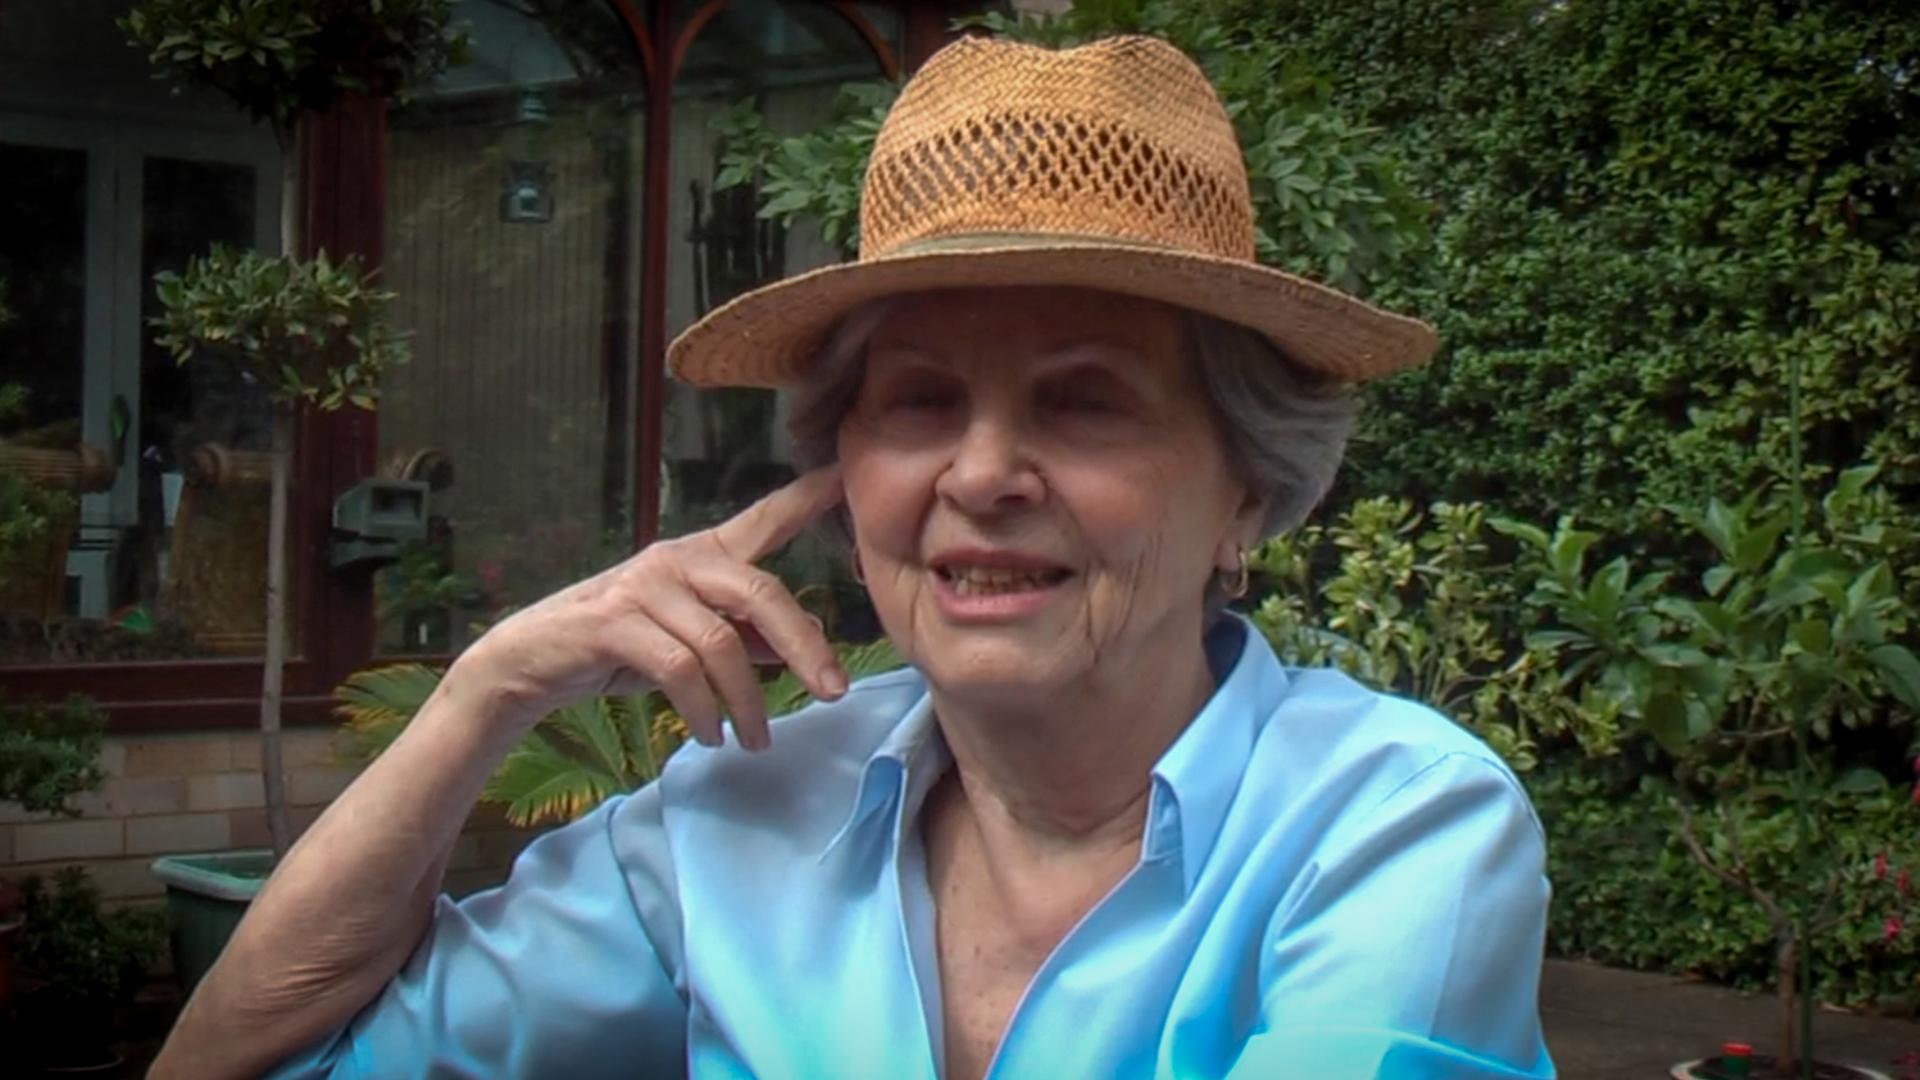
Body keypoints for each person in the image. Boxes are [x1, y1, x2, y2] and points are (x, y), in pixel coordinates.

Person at [150, 34, 1555, 1080]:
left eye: (1084, 402)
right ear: (840, 472)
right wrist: (489, 691)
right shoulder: (735, 818)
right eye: (921, 401)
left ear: (1248, 487)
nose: (982, 474)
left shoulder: (1392, 831)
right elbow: (250, 1062)